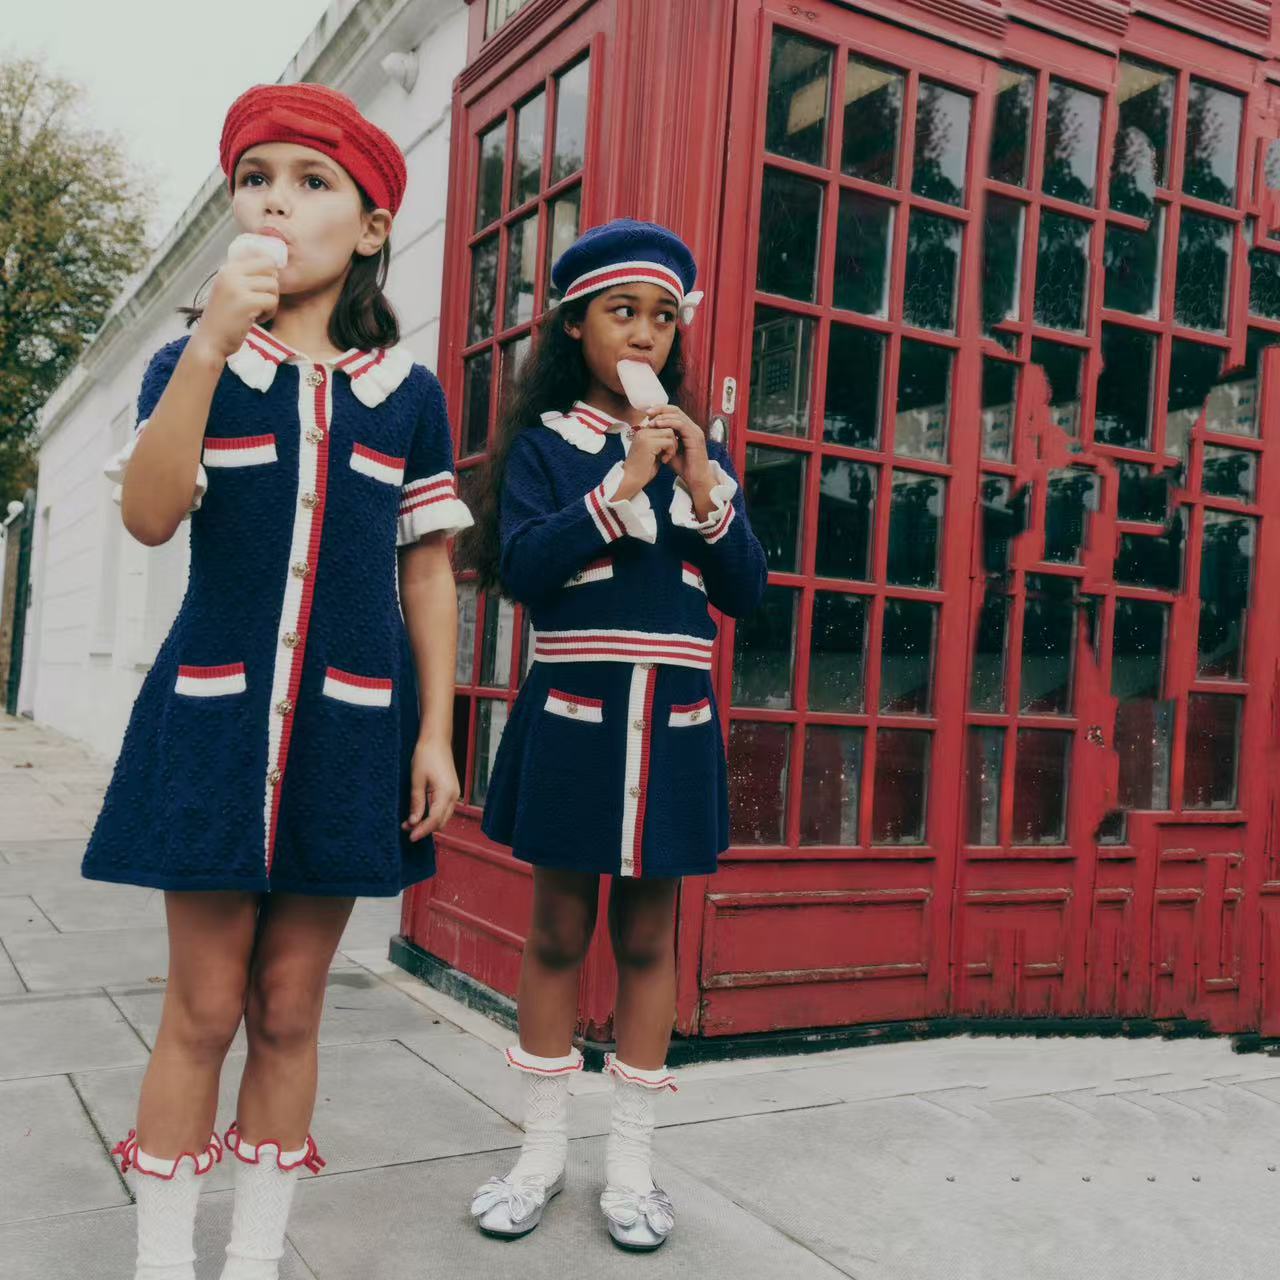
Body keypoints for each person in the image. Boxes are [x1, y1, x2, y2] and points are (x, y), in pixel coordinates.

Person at [81, 82, 472, 1280]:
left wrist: (437, 733)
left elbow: (428, 573)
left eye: (312, 183)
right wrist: (204, 344)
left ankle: (253, 1257)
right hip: (211, 725)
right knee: (200, 1007)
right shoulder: (188, 367)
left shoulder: (404, 396)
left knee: (291, 1007)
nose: (276, 201)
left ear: (366, 229)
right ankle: (163, 1260)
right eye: (256, 179)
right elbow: (150, 518)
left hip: (352, 736)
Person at [462, 218, 766, 1250]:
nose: (642, 334)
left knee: (648, 938)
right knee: (553, 933)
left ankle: (630, 1164)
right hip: (577, 715)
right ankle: (539, 1152)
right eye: (620, 312)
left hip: (672, 723)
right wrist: (618, 487)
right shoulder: (547, 445)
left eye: (662, 317)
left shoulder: (699, 451)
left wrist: (696, 482)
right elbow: (524, 567)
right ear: (575, 326)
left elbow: (749, 589)